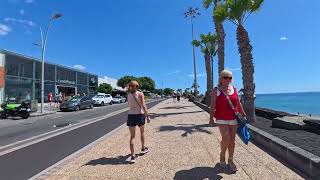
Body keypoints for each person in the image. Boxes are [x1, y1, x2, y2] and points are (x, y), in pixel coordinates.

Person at [210, 70, 246, 172]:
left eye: (230, 78)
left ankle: (230, 159)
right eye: (225, 77)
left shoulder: (234, 89)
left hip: (233, 118)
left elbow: (238, 104)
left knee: (232, 140)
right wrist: (211, 118)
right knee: (226, 138)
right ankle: (222, 155)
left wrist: (243, 114)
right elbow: (212, 105)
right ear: (220, 79)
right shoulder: (216, 90)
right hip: (221, 118)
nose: (228, 80)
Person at [127, 80, 150, 163]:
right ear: (137, 86)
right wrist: (147, 116)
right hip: (139, 115)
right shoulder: (140, 94)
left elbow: (129, 105)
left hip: (131, 115)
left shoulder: (128, 95)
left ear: (130, 86)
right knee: (142, 132)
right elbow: (143, 105)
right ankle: (143, 148)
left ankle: (133, 156)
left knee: (132, 136)